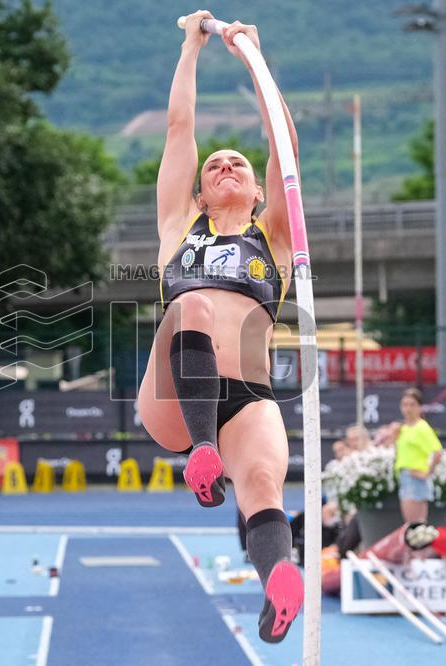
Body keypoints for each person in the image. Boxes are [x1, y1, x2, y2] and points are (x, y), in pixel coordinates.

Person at [136, 11, 302, 643]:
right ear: (200, 194)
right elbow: (180, 129)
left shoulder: (275, 238)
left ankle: (277, 583)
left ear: (259, 191)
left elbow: (282, 142)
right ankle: (202, 454)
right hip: (174, 399)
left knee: (261, 482)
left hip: (247, 397)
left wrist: (254, 61)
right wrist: (191, 49)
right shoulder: (180, 228)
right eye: (214, 167)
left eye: (238, 164)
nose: (226, 165)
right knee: (194, 307)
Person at [393, 387, 442, 523]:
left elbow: (438, 452)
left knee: (415, 526)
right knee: (413, 526)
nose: (408, 409)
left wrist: (427, 472)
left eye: (412, 405)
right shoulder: (403, 428)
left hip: (415, 477)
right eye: (405, 405)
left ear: (419, 407)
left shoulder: (422, 428)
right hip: (404, 476)